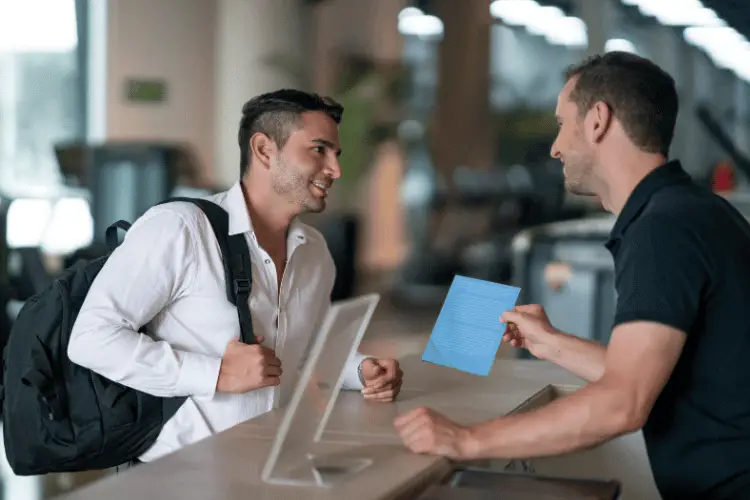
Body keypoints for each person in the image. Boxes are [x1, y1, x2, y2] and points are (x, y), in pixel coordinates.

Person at [394, 52, 750, 500]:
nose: (555, 147)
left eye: (563, 124)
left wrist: (467, 440)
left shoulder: (663, 230)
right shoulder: (686, 211)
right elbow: (650, 371)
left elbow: (624, 402)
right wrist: (551, 342)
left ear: (598, 120)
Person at [69, 89, 403, 464]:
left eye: (335, 155)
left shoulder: (315, 251)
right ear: (263, 150)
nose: (335, 170)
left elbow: (302, 349)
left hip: (269, 462)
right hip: (178, 472)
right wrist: (215, 373)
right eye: (318, 150)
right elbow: (89, 338)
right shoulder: (180, 228)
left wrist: (359, 369)